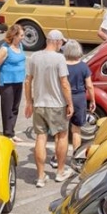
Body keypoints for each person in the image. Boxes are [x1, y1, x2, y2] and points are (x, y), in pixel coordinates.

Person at [24, 29, 73, 186]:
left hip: (39, 103)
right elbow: (64, 83)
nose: (61, 45)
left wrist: (29, 102)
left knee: (41, 137)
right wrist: (70, 103)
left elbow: (27, 81)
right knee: (62, 136)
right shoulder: (59, 58)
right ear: (57, 42)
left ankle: (40, 176)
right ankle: (60, 171)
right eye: (61, 42)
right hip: (56, 104)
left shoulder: (34, 57)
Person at [0, 23, 27, 139]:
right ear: (14, 35)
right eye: (21, 35)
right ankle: (7, 134)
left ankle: (11, 132)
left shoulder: (20, 46)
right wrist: (2, 76)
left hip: (18, 81)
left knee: (15, 108)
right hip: (7, 83)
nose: (23, 37)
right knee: (7, 109)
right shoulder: (5, 49)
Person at [63, 39, 94, 153]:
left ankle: (58, 156)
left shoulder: (62, 66)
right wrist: (93, 100)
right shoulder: (83, 66)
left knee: (62, 131)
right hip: (79, 99)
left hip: (63, 98)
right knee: (76, 129)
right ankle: (76, 155)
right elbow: (89, 86)